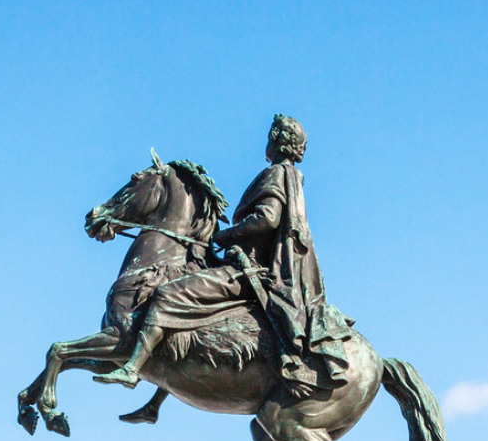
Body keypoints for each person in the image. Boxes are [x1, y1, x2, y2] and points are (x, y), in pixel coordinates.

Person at [102, 114, 351, 396]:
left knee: (169, 295)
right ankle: (155, 400)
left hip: (248, 269)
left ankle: (132, 368)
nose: (268, 141)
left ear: (278, 141)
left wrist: (227, 234)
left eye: (272, 135)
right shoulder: (291, 176)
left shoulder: (276, 173)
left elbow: (268, 218)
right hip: (255, 267)